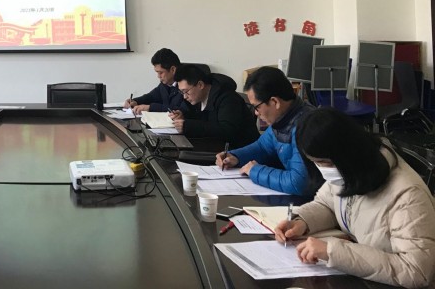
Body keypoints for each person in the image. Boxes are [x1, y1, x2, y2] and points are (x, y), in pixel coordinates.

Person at [274, 108, 435, 288]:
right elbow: (327, 204)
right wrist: (302, 221)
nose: (322, 169)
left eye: (324, 163)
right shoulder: (351, 171)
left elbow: (417, 271)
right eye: (315, 163)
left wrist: (332, 251)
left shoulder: (408, 196)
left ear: (346, 154)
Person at [216, 66, 318, 195]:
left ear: (275, 102)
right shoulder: (283, 118)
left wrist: (255, 171)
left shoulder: (307, 126)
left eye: (257, 107)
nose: (256, 113)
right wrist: (236, 157)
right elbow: (263, 147)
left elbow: (297, 182)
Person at [169, 64, 259, 148]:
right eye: (182, 92)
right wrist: (182, 115)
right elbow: (196, 115)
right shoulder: (197, 97)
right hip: (213, 146)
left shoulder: (228, 98)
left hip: (239, 150)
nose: (184, 96)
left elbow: (227, 131)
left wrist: (188, 126)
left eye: (186, 91)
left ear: (200, 85)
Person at [123, 48, 190, 114]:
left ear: (173, 69)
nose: (158, 76)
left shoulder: (187, 85)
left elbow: (181, 110)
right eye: (157, 72)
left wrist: (150, 108)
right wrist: (135, 101)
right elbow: (151, 96)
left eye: (161, 72)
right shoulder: (165, 83)